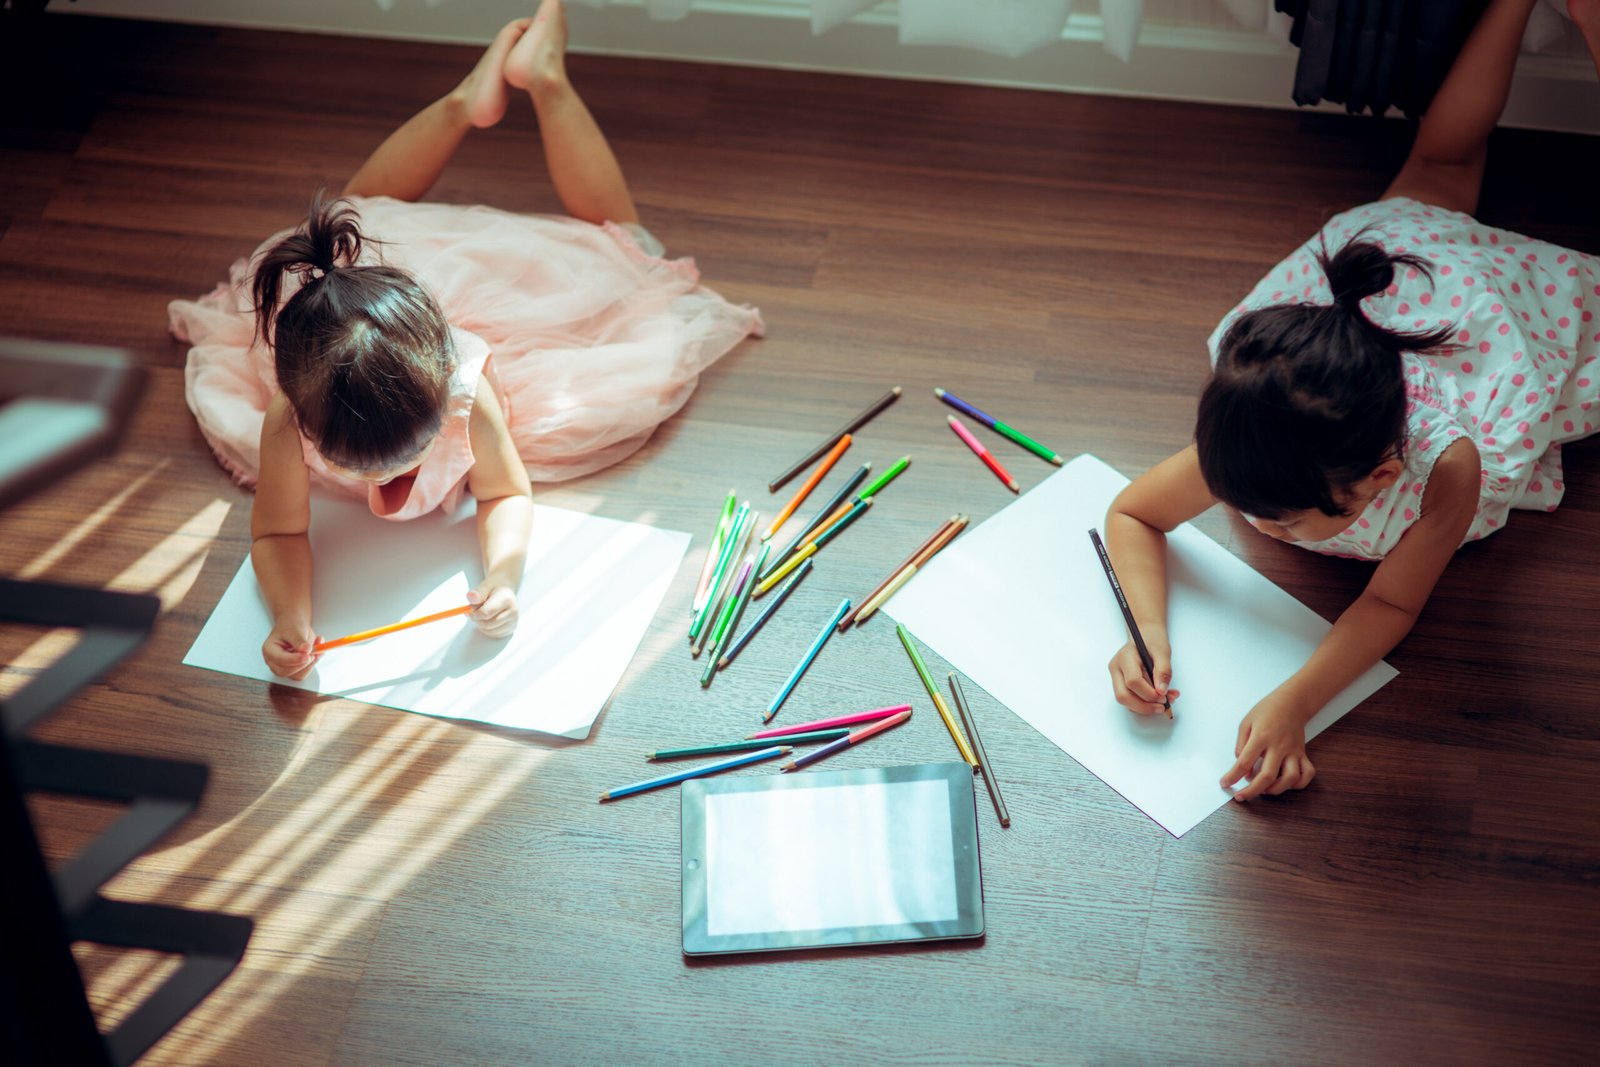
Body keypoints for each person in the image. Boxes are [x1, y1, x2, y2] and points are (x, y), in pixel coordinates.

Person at [168, 0, 762, 680]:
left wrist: (504, 575)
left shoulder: (466, 392)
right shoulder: (288, 418)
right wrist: (290, 615)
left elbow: (506, 492)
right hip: (359, 314)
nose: (386, 479)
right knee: (367, 209)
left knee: (623, 249)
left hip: (472, 295)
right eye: (363, 466)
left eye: (405, 456)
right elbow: (275, 530)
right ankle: (465, 103)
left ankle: (542, 82)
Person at [1103, 0, 1600, 801]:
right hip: (1384, 280)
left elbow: (1394, 598)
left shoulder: (1447, 467)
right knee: (1437, 169)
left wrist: (1296, 699)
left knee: (1448, 179)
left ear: (1378, 479)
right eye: (1250, 509)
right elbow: (1133, 512)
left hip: (1486, 319)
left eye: (1288, 521)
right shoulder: (1265, 419)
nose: (1261, 526)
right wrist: (1146, 631)